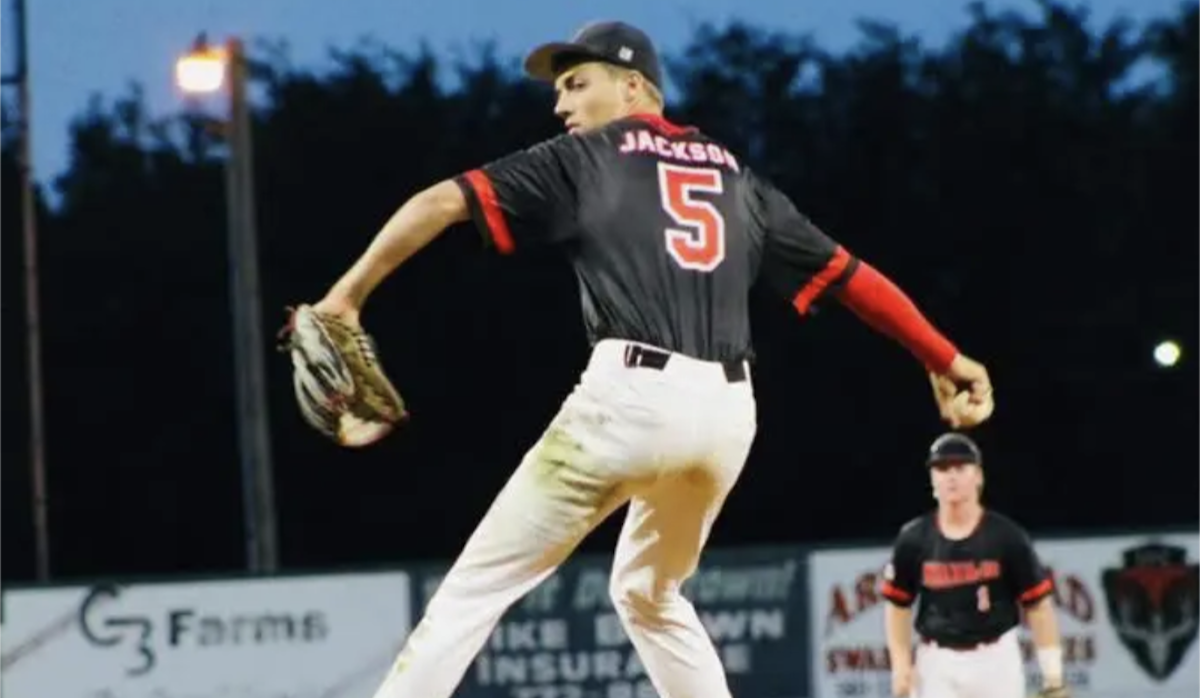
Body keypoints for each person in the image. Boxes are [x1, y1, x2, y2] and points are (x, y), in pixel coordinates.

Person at [307, 20, 993, 698]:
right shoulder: (735, 175)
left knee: (472, 592)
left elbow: (439, 203)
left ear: (634, 86)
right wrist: (944, 355)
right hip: (727, 417)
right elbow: (849, 276)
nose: (561, 104)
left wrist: (347, 296)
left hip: (628, 402)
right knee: (651, 594)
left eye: (577, 84)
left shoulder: (589, 156)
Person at [881, 433, 1069, 698]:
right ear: (932, 478)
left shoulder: (1007, 537)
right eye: (942, 468)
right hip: (936, 662)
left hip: (996, 660)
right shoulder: (914, 539)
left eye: (960, 467)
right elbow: (897, 604)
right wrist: (900, 665)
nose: (951, 476)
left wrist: (1053, 675)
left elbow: (1039, 606)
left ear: (978, 476)